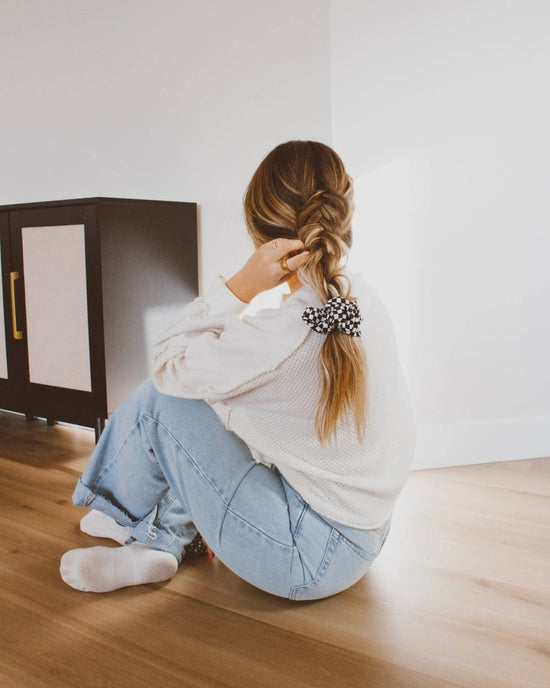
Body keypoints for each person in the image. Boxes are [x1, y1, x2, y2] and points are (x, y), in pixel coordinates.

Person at [60, 140, 418, 601]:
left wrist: (240, 286)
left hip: (306, 558)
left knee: (162, 401)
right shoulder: (359, 298)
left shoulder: (282, 336)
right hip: (364, 532)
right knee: (215, 401)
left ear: (265, 238)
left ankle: (128, 515)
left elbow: (169, 365)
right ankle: (162, 541)